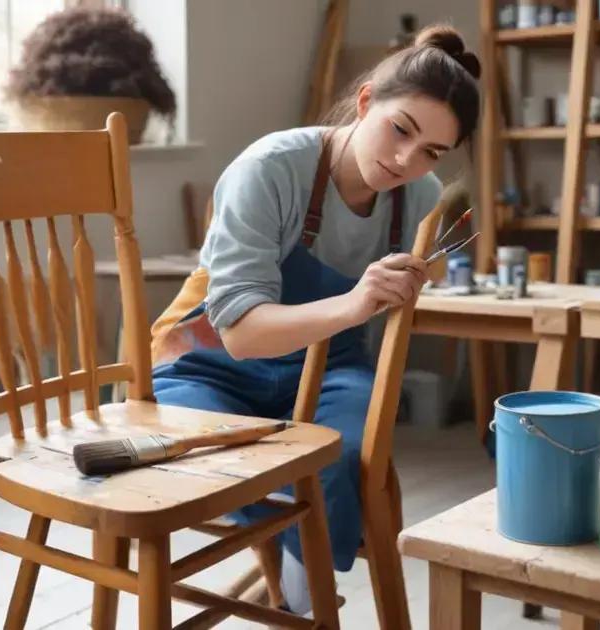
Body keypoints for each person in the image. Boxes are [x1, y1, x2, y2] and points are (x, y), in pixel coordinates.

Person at [149, 24, 482, 613]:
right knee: (218, 456)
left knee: (338, 460)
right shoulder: (272, 168)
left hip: (332, 370)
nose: (406, 160)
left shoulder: (421, 199)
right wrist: (356, 303)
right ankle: (296, 593)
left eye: (431, 151)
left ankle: (297, 608)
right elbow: (241, 334)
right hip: (211, 366)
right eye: (399, 129)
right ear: (365, 102)